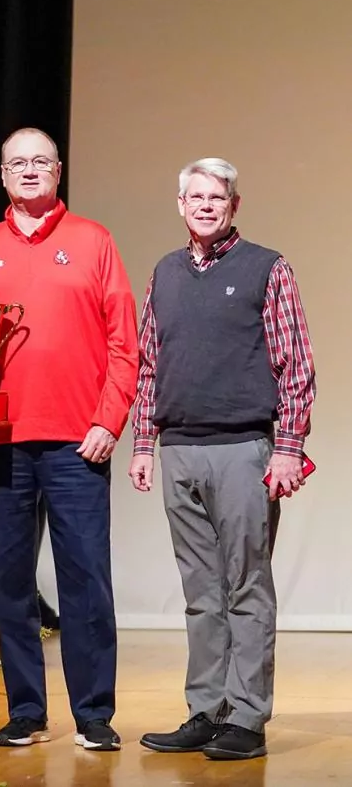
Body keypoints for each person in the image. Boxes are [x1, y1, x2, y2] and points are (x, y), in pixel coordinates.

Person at [0, 128, 139, 751]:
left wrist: (108, 421)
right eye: (17, 163)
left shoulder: (94, 241)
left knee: (87, 581)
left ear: (58, 170)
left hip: (79, 443)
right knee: (11, 582)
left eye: (40, 162)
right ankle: (25, 709)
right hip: (0, 440)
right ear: (2, 175)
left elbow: (124, 342)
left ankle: (94, 713)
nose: (29, 171)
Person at [129, 158, 316, 761]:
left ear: (234, 206)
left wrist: (287, 449)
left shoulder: (267, 268)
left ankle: (247, 718)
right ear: (180, 205)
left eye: (217, 197)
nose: (206, 206)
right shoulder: (165, 273)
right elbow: (149, 365)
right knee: (200, 593)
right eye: (196, 197)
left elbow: (295, 364)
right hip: (180, 449)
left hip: (243, 450)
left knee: (246, 588)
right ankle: (206, 711)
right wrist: (143, 444)